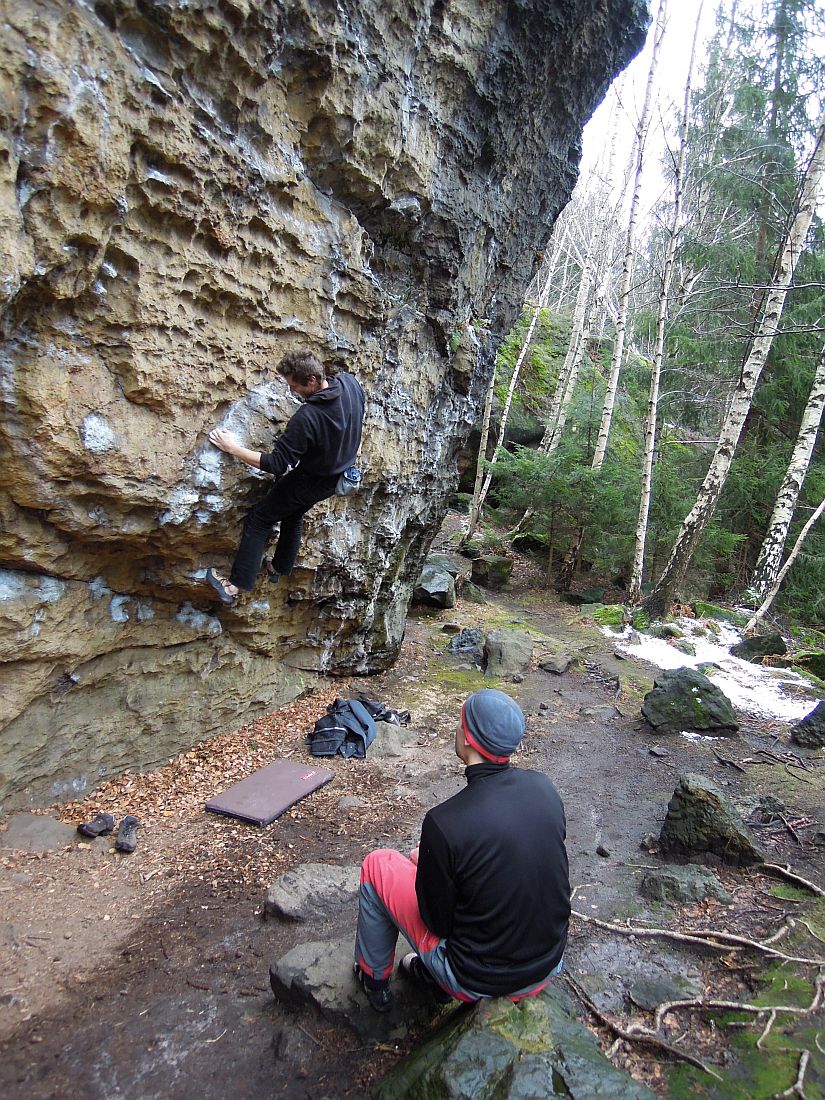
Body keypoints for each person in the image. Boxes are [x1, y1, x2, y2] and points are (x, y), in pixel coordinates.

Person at [353, 689, 570, 1012]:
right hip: (548, 963)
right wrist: (433, 866)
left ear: (467, 739)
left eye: (459, 723)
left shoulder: (445, 823)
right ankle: (428, 972)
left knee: (377, 865)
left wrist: (426, 871)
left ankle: (374, 980)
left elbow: (437, 923)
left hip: (476, 979)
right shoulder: (544, 789)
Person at [205, 350, 365, 606]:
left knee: (261, 518)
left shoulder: (308, 417)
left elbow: (278, 464)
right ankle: (280, 567)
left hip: (312, 478)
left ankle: (233, 586)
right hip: (337, 476)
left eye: (294, 385)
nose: (291, 391)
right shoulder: (350, 385)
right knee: (293, 513)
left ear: (312, 380)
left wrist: (232, 448)